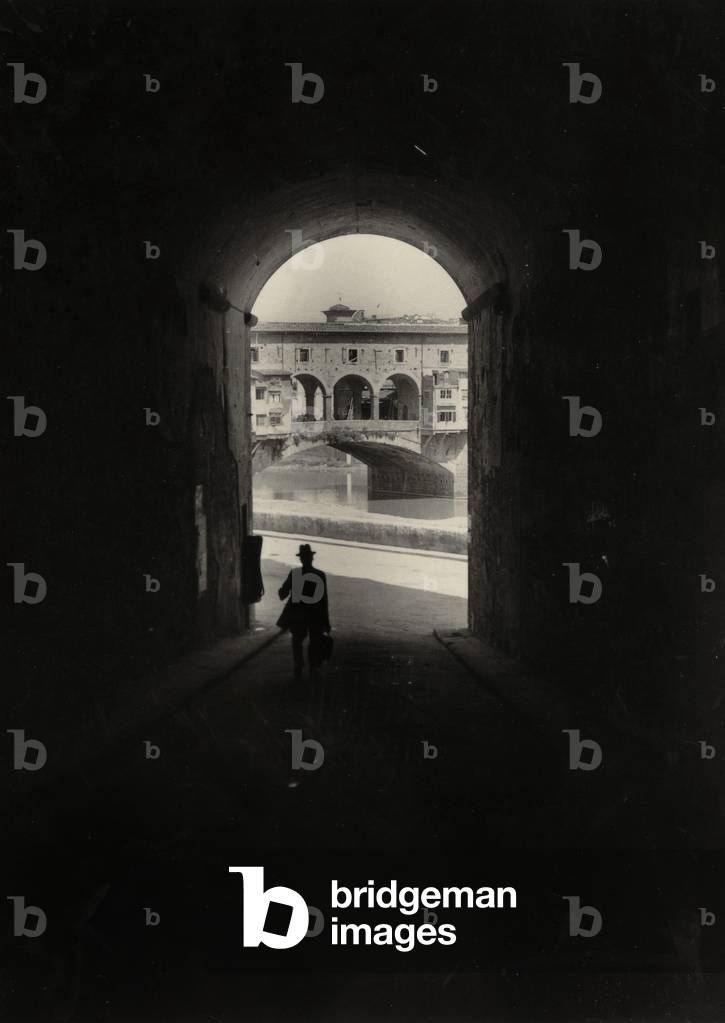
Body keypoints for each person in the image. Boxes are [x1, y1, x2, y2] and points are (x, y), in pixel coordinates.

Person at [276, 543, 331, 678]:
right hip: (315, 615)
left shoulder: (295, 574)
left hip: (298, 615)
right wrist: (326, 622)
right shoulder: (320, 575)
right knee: (315, 641)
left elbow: (282, 594)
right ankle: (313, 667)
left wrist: (283, 592)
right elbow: (324, 601)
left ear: (301, 559)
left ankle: (298, 667)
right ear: (312, 558)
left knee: (297, 641)